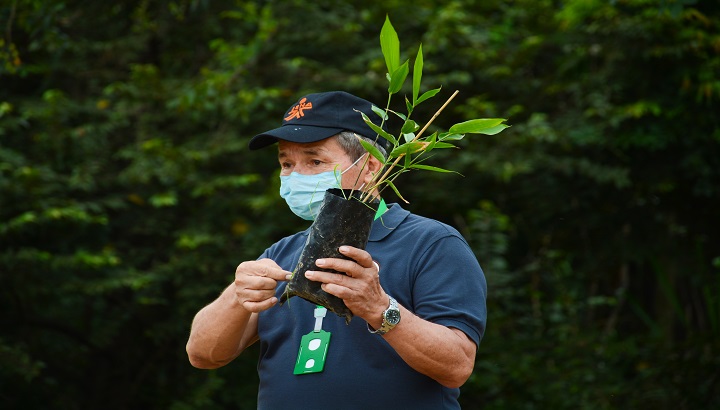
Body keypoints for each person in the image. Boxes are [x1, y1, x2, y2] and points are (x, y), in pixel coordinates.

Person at [186, 91, 487, 409]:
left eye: (314, 161)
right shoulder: (278, 254)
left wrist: (379, 308)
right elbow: (203, 355)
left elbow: (457, 367)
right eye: (287, 163)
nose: (295, 176)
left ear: (371, 165)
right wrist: (237, 294)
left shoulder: (431, 243)